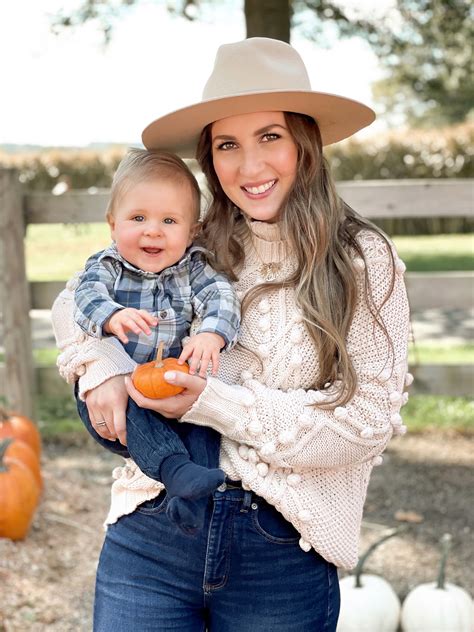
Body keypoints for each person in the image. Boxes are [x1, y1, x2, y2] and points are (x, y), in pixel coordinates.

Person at [52, 37, 411, 631]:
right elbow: (75, 299)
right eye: (227, 144)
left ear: (306, 141)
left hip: (283, 548)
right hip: (154, 525)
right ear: (210, 156)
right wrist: (101, 369)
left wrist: (214, 404)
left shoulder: (361, 260)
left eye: (269, 136)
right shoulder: (193, 239)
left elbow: (366, 426)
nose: (249, 167)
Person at [72, 148, 240, 533]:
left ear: (191, 231)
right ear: (113, 225)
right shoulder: (108, 267)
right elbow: (86, 296)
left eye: (169, 220)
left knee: (203, 421)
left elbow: (221, 296)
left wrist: (212, 333)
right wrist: (112, 316)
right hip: (122, 393)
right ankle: (174, 470)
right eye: (138, 218)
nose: (153, 230)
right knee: (135, 414)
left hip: (172, 384)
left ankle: (190, 500)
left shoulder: (194, 268)